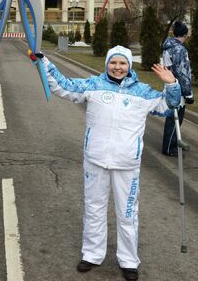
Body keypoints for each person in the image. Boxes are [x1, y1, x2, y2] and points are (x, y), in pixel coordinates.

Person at [32, 45, 180, 281]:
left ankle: (129, 260)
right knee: (94, 209)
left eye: (122, 63)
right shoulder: (94, 85)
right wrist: (44, 63)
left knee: (128, 214)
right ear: (107, 64)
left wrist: (171, 84)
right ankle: (92, 254)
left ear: (129, 66)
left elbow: (169, 107)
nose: (117, 67)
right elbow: (63, 86)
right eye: (113, 62)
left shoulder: (143, 92)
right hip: (96, 160)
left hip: (127, 164)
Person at [161, 21, 194, 157]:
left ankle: (170, 143)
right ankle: (170, 147)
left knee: (172, 117)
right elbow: (182, 72)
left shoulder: (167, 46)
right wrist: (188, 93)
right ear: (185, 34)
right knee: (175, 118)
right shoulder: (179, 49)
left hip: (168, 83)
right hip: (177, 86)